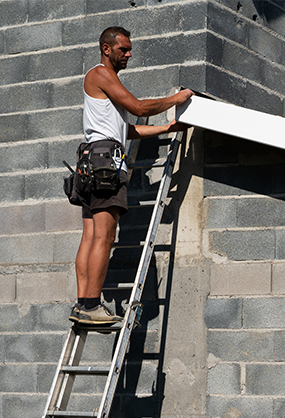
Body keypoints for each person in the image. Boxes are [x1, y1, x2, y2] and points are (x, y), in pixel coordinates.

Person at [71, 26, 194, 325]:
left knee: (90, 235)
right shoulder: (100, 74)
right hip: (105, 163)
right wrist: (178, 99)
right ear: (106, 48)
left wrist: (167, 129)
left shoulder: (107, 86)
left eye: (129, 49)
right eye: (123, 49)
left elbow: (127, 129)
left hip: (93, 159)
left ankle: (82, 303)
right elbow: (139, 107)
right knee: (104, 235)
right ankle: (90, 305)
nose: (129, 54)